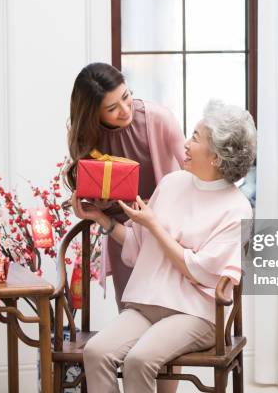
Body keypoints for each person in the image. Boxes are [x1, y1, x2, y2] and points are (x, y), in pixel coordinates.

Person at [75, 100, 257, 393]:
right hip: (149, 304)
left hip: (196, 314)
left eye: (196, 138)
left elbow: (199, 270)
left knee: (139, 360)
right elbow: (139, 244)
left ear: (215, 156)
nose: (185, 143)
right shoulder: (172, 183)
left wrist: (154, 226)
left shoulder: (237, 209)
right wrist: (100, 219)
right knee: (96, 352)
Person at [66, 62, 185, 310]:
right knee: (132, 313)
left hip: (164, 230)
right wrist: (95, 208)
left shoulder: (159, 119)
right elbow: (94, 189)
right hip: (121, 235)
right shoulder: (87, 138)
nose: (124, 109)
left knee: (170, 313)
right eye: (112, 108)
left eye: (126, 96)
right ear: (93, 115)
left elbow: (194, 173)